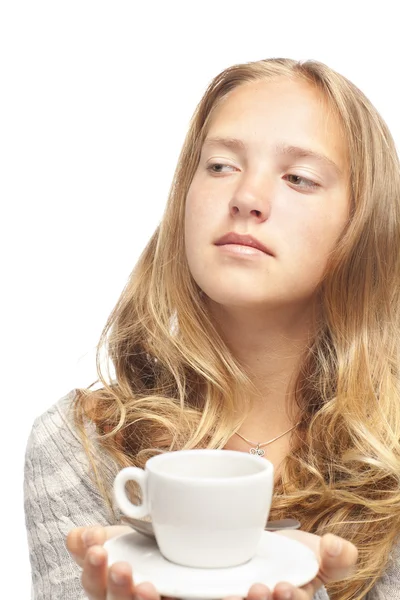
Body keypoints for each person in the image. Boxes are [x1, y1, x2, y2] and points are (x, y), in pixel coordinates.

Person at [24, 56, 400, 600]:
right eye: (221, 165)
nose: (246, 198)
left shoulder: (388, 459)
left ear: (362, 227)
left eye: (299, 178)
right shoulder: (76, 446)